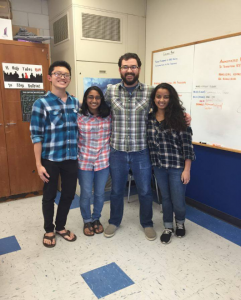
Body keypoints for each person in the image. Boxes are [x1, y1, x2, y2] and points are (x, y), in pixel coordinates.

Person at [104, 53, 157, 241]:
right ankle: (114, 221)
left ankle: (147, 223)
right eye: (125, 67)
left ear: (139, 69)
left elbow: (168, 106)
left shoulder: (150, 91)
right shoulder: (110, 91)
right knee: (117, 190)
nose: (129, 70)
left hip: (141, 151)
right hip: (117, 150)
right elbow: (98, 111)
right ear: (120, 69)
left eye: (133, 67)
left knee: (144, 190)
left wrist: (185, 116)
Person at [30, 60, 79, 248]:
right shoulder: (40, 103)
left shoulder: (75, 102)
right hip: (50, 159)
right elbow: (36, 136)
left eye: (66, 74)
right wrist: (38, 164)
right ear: (50, 77)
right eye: (58, 74)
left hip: (71, 158)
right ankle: (49, 229)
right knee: (49, 195)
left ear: (70, 79)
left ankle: (60, 226)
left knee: (68, 195)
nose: (62, 77)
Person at [147, 83, 195, 244]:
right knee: (165, 199)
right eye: (158, 96)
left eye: (166, 96)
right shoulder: (150, 119)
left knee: (178, 199)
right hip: (159, 167)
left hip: (177, 168)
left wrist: (186, 169)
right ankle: (168, 226)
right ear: (154, 99)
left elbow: (187, 147)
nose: (162, 100)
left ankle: (180, 223)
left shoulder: (179, 119)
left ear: (171, 98)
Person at [77, 86, 111, 236]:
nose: (94, 100)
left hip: (103, 161)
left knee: (99, 193)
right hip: (84, 161)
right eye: (90, 97)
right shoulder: (78, 116)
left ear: (101, 100)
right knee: (85, 193)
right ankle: (87, 220)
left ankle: (96, 218)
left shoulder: (108, 115)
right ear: (85, 99)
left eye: (97, 97)